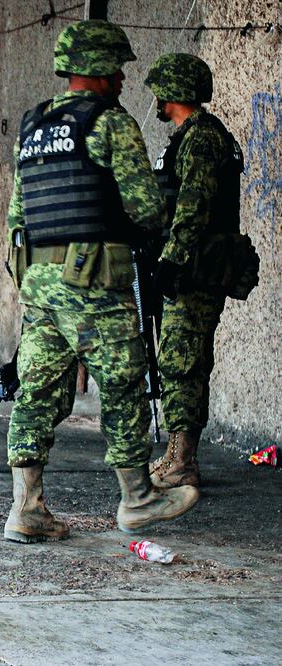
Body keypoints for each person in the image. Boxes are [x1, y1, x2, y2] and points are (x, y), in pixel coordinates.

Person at [4, 20, 200, 541]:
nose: (121, 79)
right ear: (100, 70)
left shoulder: (32, 124)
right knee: (122, 384)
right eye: (117, 69)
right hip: (93, 281)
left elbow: (16, 215)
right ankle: (137, 498)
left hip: (39, 284)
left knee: (37, 391)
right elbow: (145, 210)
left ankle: (26, 509)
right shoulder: (111, 123)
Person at [144, 54, 257, 489]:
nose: (156, 97)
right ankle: (176, 453)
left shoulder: (203, 139)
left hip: (195, 271)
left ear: (175, 91)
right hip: (188, 268)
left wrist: (170, 262)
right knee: (177, 361)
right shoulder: (188, 137)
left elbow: (193, 207)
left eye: (161, 89)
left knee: (183, 362)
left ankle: (182, 461)